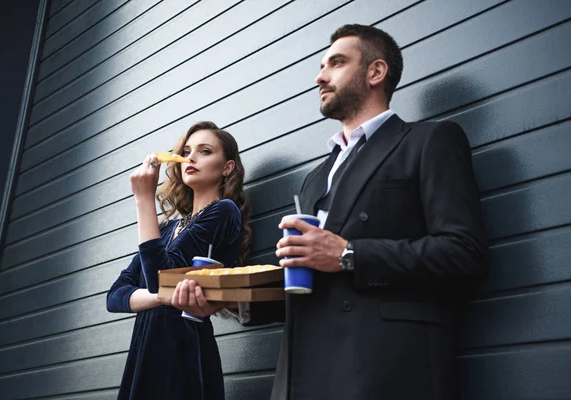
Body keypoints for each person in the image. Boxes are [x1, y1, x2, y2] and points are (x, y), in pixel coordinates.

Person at [173, 24, 489, 399]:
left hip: (387, 373)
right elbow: (309, 286)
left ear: (376, 72)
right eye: (321, 66)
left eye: (336, 63)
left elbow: (464, 254)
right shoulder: (315, 177)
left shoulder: (429, 141)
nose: (320, 76)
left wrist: (347, 254)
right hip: (303, 377)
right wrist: (230, 297)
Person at [106, 121, 251, 400]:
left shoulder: (224, 211)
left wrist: (144, 199)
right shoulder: (166, 229)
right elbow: (115, 295)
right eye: (186, 151)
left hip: (183, 348)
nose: (191, 158)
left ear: (227, 167)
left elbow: (160, 276)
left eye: (205, 151)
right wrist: (163, 298)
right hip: (145, 349)